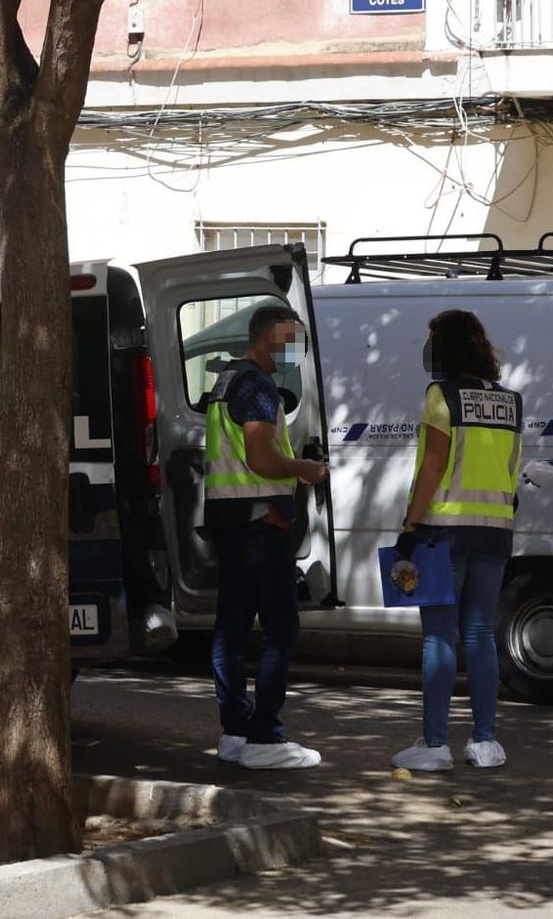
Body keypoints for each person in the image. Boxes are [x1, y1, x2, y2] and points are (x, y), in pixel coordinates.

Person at [392, 310, 523, 773]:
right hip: (494, 533)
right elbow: (511, 471)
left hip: (442, 532)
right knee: (481, 635)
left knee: (439, 639)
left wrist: (410, 525)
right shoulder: (511, 402)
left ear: (444, 348)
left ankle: (434, 745)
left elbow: (432, 465)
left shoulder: (440, 394)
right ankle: (486, 741)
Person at [204, 302, 330, 770]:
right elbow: (261, 458)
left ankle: (235, 730)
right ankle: (265, 736)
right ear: (267, 334)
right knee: (281, 628)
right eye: (291, 335)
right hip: (260, 523)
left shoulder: (227, 381)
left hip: (228, 518)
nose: (296, 345)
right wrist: (306, 470)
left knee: (231, 628)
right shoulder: (257, 386)